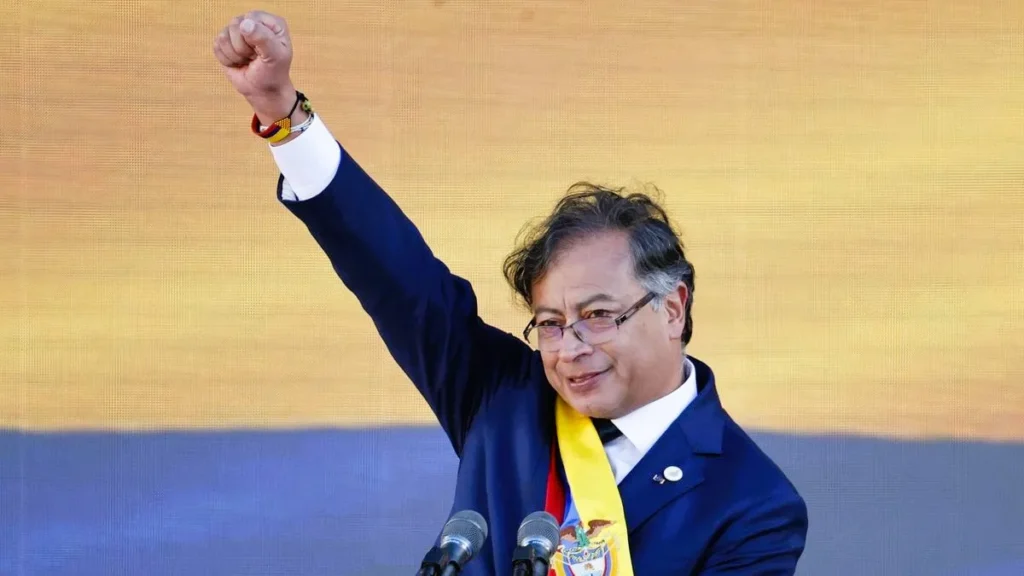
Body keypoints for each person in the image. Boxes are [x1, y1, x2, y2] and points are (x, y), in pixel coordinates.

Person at [213, 10, 808, 575]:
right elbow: (397, 279)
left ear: (672, 308)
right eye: (550, 323)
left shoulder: (753, 504)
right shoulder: (502, 398)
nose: (569, 348)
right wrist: (282, 112)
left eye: (598, 316)